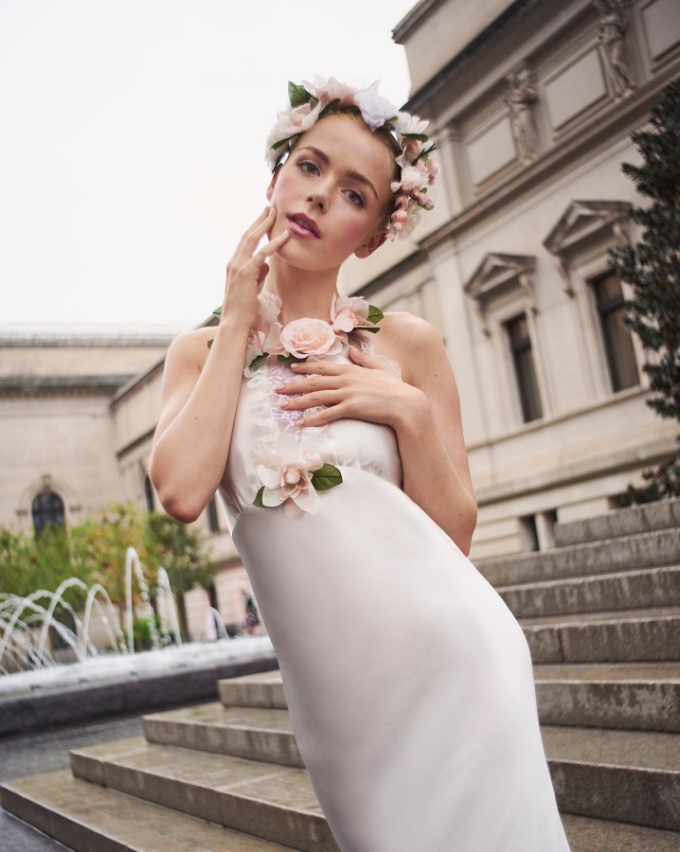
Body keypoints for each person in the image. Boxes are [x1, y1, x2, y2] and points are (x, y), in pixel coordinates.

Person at [148, 76, 571, 851]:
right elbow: (179, 491)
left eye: (353, 193)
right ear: (275, 175)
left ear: (372, 234)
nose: (317, 197)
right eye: (308, 167)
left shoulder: (408, 345)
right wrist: (240, 317)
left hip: (459, 663)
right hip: (346, 709)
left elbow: (456, 534)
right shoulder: (200, 353)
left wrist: (402, 408)